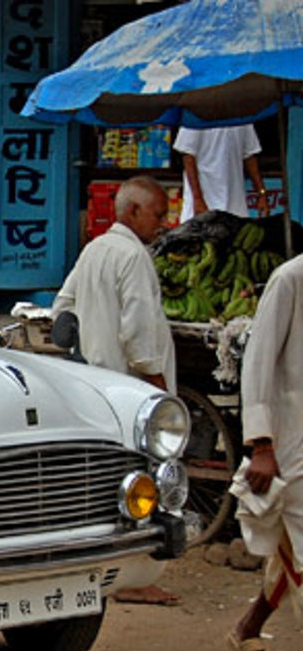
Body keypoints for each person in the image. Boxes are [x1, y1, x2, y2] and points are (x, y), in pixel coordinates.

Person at [53, 176, 180, 606]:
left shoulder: (94, 251)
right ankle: (136, 577)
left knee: (112, 480)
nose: (164, 223)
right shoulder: (132, 256)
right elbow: (139, 330)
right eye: (159, 214)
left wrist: (79, 346)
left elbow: (62, 307)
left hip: (97, 386)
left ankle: (115, 571)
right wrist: (158, 386)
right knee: (141, 479)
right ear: (133, 213)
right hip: (133, 390)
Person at [226, 253, 303, 651]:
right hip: (293, 440)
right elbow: (257, 364)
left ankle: (248, 629)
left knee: (292, 549)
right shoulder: (290, 278)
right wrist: (262, 445)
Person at [174, 124, 269, 224]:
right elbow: (188, 156)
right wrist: (198, 199)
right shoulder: (197, 112)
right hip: (204, 205)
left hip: (235, 207)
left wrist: (261, 193)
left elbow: (250, 154)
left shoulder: (242, 115)